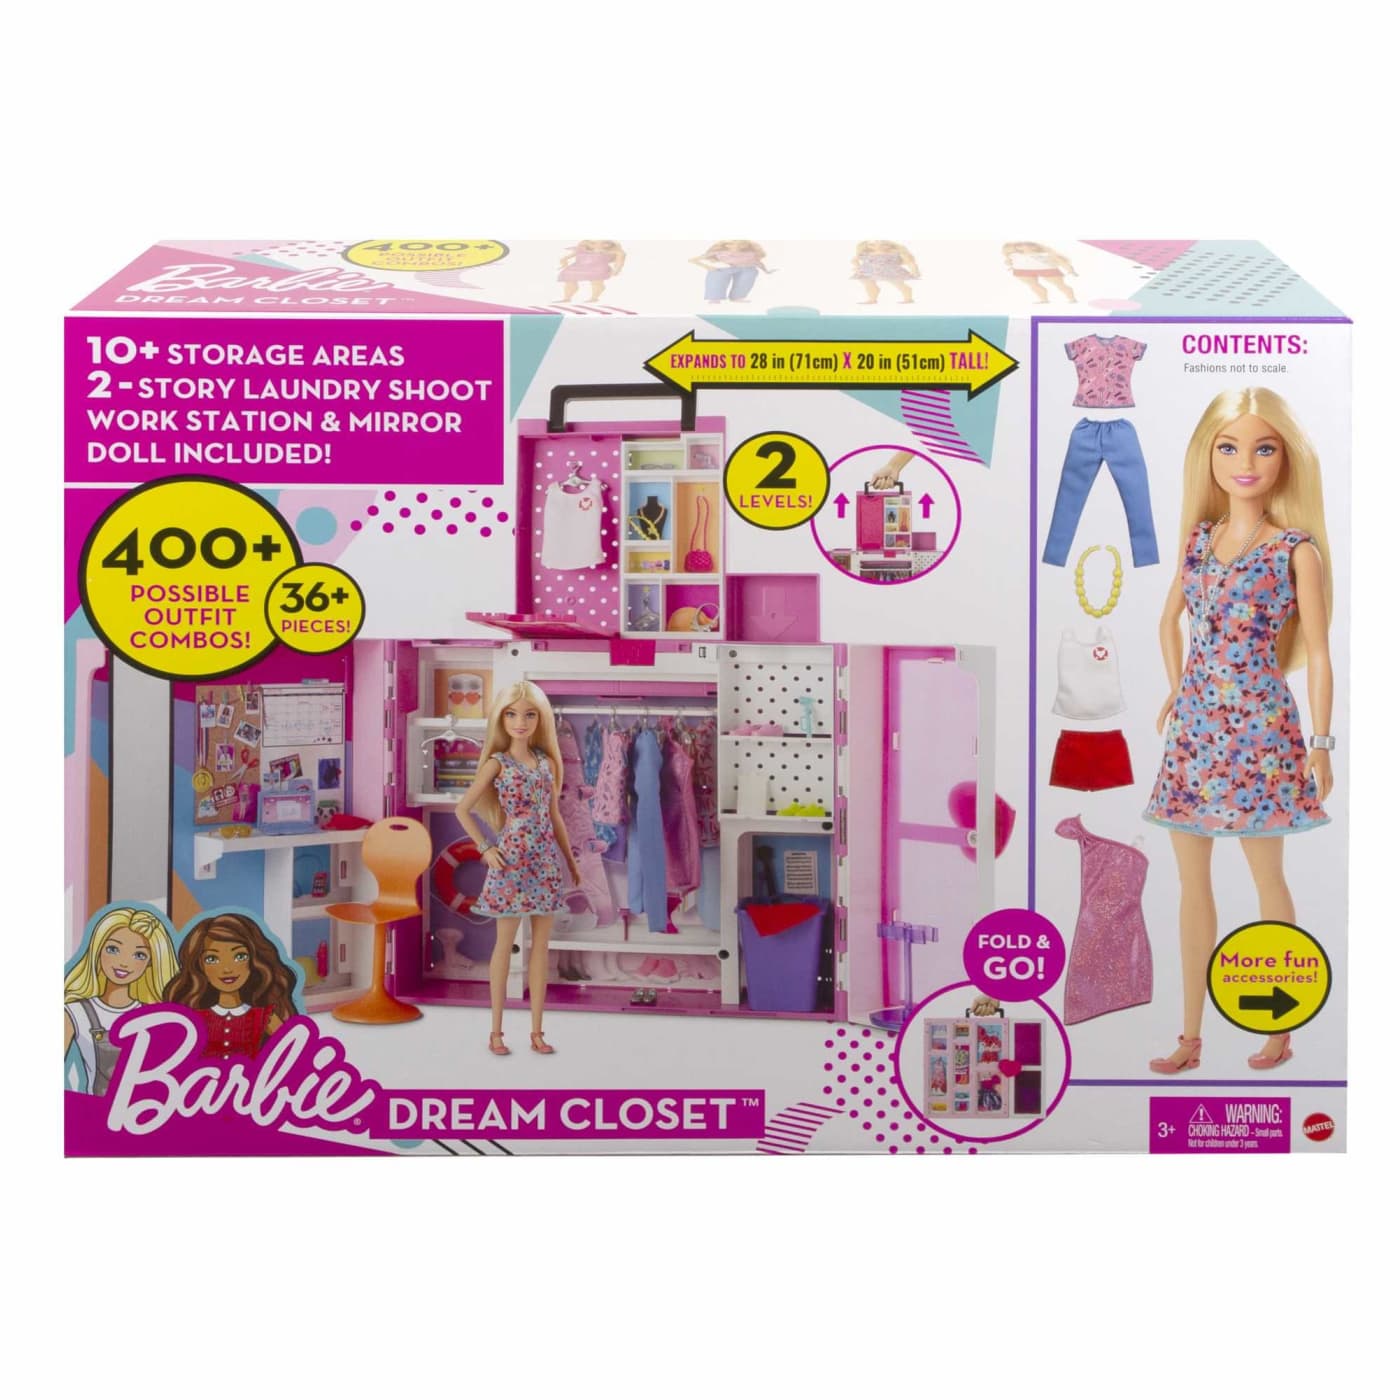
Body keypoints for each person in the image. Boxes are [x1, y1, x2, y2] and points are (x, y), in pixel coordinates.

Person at [1144, 388, 1334, 1073]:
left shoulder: (1294, 550)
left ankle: (1279, 1025)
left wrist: (1322, 744)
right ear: (1208, 454)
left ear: (1286, 458)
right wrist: (1177, 687)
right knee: (1192, 885)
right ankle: (1190, 1037)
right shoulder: (1198, 539)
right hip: (1195, 733)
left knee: (1266, 880)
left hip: (1261, 734)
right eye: (1228, 447)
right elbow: (1168, 621)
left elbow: (1321, 653)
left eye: (1263, 447)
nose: (1245, 462)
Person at [455, 682, 581, 1055]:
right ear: (501, 719)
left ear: (540, 719)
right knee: (504, 945)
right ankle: (496, 1032)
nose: (520, 722)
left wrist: (570, 861)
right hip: (510, 860)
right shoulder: (497, 763)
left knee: (541, 947)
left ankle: (537, 1032)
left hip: (544, 862)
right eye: (511, 714)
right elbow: (463, 809)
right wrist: (485, 848)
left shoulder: (546, 763)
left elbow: (554, 815)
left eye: (528, 715)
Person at [64, 906, 179, 1095]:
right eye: (113, 949)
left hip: (148, 1109)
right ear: (98, 949)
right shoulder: (75, 1013)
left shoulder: (155, 1015)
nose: (124, 962)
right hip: (97, 1111)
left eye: (139, 955)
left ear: (151, 962)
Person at [162, 912, 299, 1060]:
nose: (227, 969)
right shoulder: (193, 1018)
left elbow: (294, 1050)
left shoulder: (264, 1017)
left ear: (254, 960)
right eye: (212, 959)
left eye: (240, 956)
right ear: (199, 966)